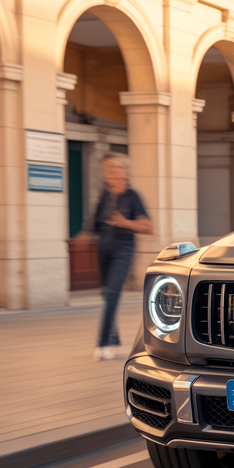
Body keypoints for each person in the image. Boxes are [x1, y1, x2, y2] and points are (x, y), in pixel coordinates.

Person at [93, 153, 152, 360]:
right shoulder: (104, 196)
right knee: (107, 296)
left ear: (125, 172)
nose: (112, 172)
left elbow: (148, 226)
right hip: (104, 251)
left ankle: (103, 343)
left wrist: (125, 222)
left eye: (117, 167)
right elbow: (95, 225)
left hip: (123, 251)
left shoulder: (132, 196)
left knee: (111, 296)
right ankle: (114, 338)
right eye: (108, 168)